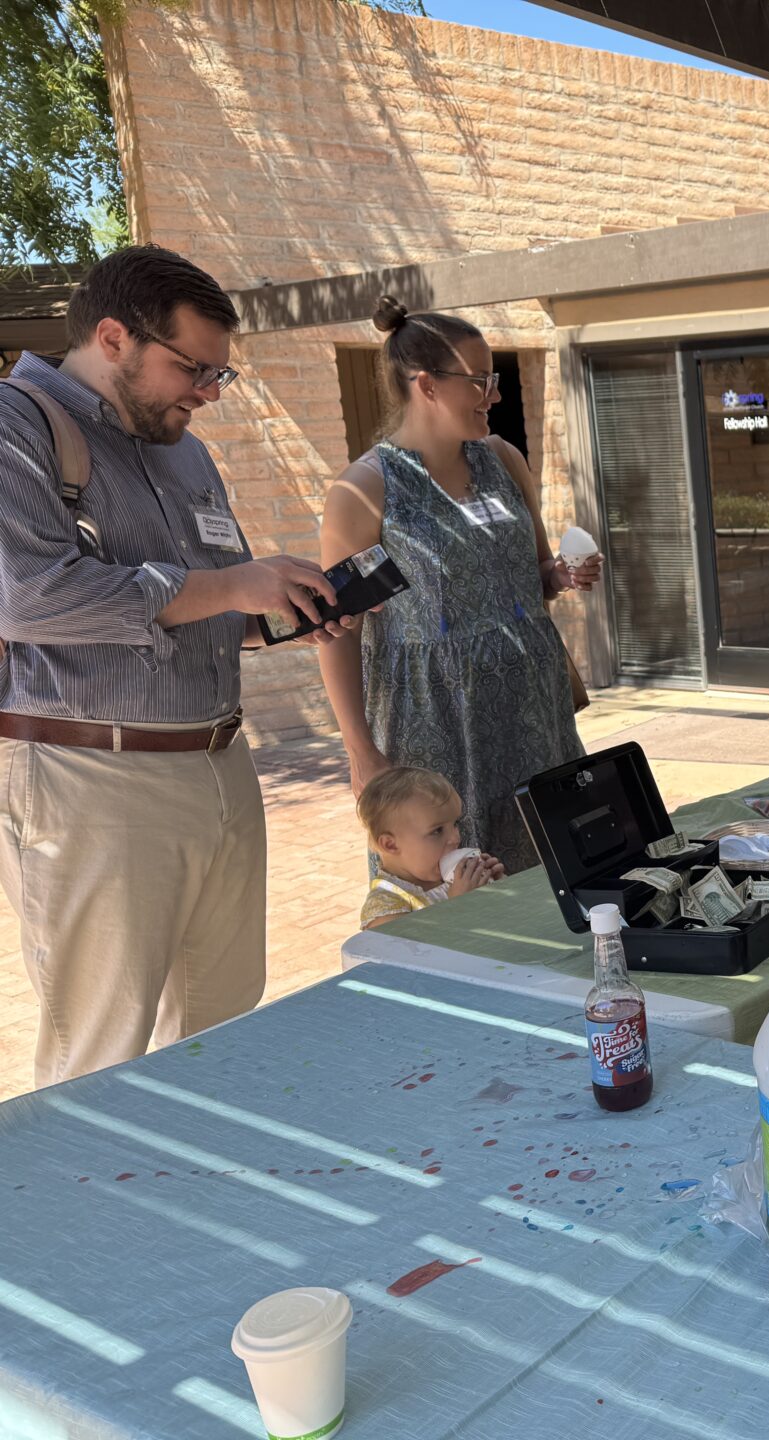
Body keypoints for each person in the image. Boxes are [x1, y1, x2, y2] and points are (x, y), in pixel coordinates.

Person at [0, 244, 352, 1087]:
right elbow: (28, 598)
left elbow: (201, 608)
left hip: (223, 765)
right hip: (93, 776)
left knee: (226, 1029)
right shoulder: (17, 423)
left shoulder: (184, 450)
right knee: (101, 1047)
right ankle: (85, 1214)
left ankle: (203, 1205)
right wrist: (232, 583)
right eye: (193, 368)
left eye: (217, 376)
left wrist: (273, 618)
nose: (206, 392)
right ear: (113, 337)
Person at [319, 297, 595, 875]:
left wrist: (563, 576)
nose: (494, 395)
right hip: (436, 713)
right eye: (481, 381)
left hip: (532, 702)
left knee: (558, 866)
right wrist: (361, 751)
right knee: (449, 876)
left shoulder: (503, 458)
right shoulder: (366, 490)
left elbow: (536, 571)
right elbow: (338, 630)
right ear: (427, 385)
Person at [358, 767, 505, 929]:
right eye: (437, 831)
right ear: (391, 845)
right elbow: (415, 950)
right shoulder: (386, 905)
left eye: (455, 824)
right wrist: (457, 907)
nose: (456, 838)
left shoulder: (450, 878)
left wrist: (500, 886)